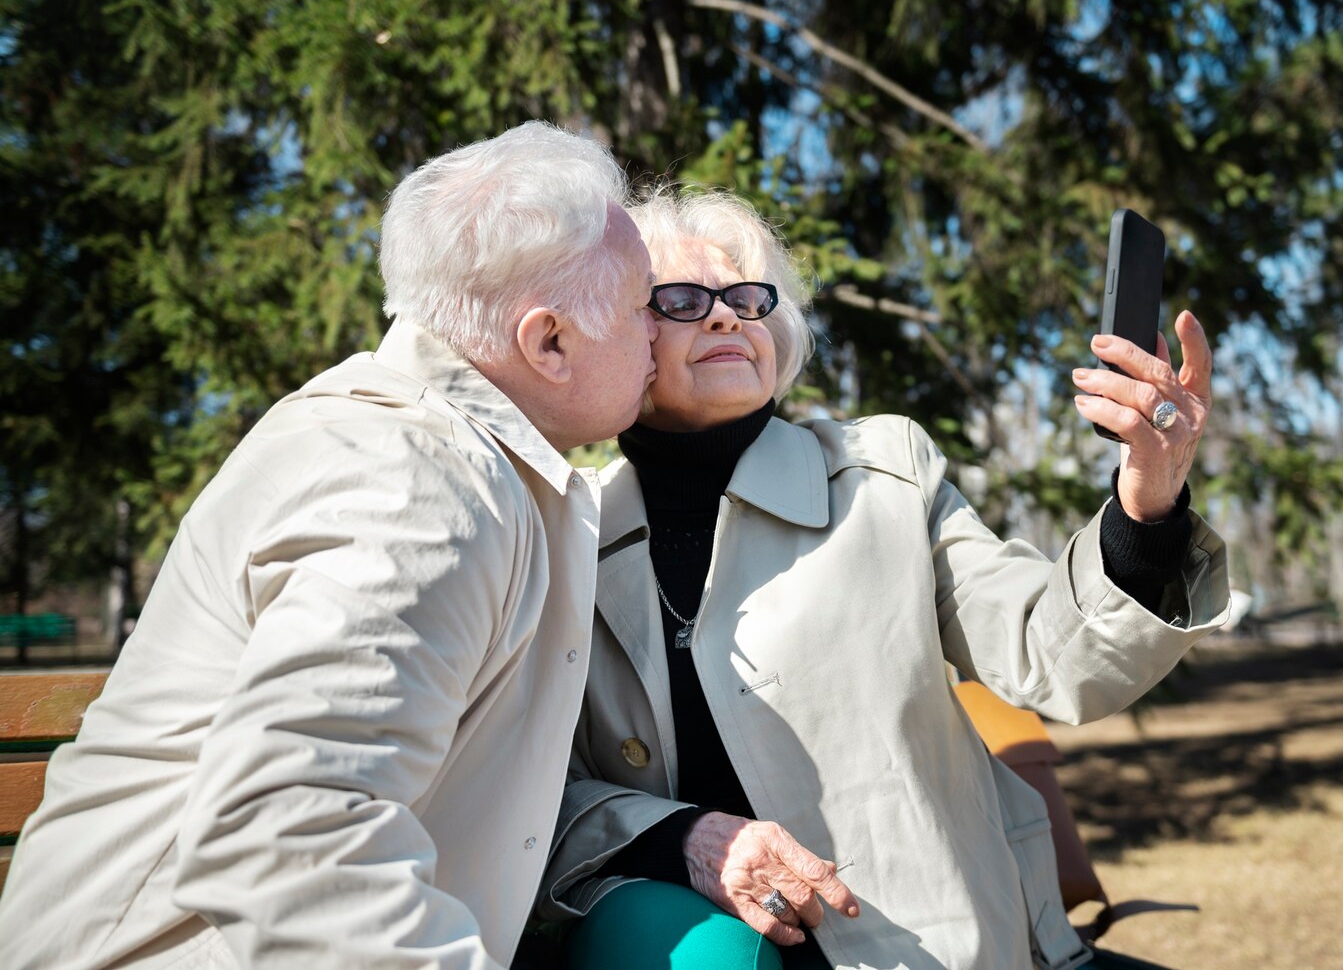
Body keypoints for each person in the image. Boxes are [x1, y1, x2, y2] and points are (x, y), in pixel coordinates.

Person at [0, 122, 658, 969]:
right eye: (644, 303)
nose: (661, 333)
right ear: (549, 342)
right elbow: (290, 829)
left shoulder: (449, 458)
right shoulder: (417, 483)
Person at [537, 189, 1230, 969]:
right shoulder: (565, 534)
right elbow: (521, 797)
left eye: (747, 298)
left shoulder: (883, 477)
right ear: (618, 334)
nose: (727, 318)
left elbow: (1053, 656)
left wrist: (1149, 509)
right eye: (685, 300)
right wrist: (679, 838)